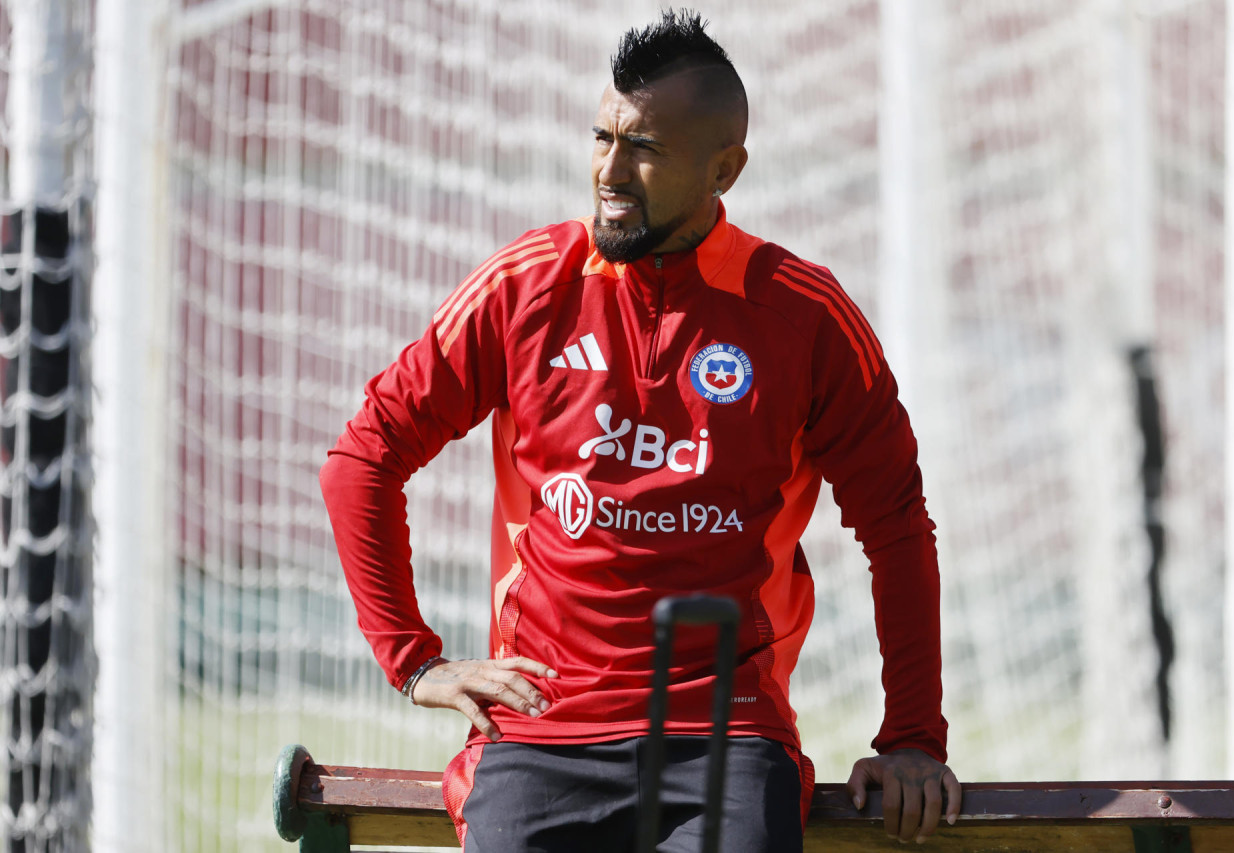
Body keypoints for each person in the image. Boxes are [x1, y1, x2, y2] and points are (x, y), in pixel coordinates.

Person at [320, 9, 961, 851]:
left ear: (723, 169)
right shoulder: (526, 287)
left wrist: (912, 735)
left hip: (727, 735)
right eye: (601, 137)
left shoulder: (803, 315)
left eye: (644, 149)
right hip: (541, 729)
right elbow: (362, 458)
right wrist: (415, 660)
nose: (609, 171)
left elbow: (896, 524)